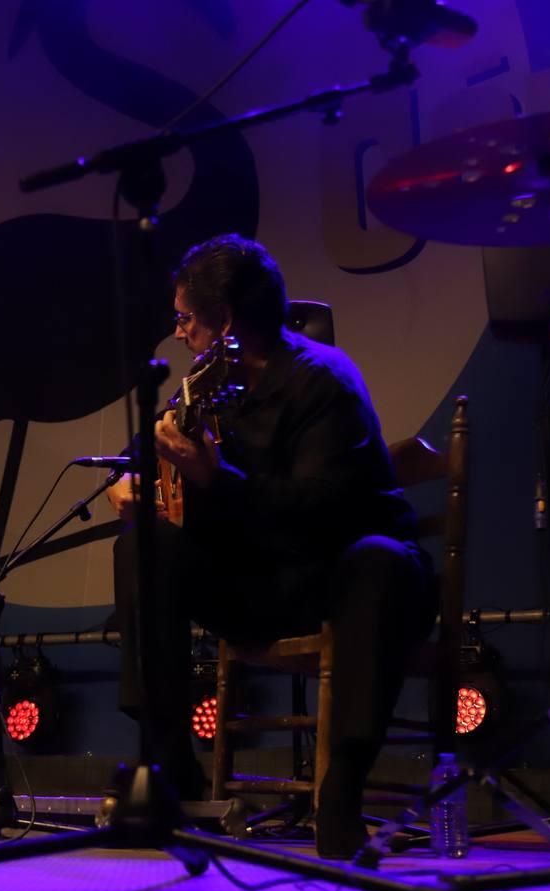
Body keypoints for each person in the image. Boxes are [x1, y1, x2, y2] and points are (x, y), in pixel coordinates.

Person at [106, 234, 435, 859]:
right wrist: (129, 478)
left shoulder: (322, 380)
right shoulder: (207, 382)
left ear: (223, 320)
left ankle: (341, 794)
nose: (179, 334)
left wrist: (213, 478)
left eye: (185, 319)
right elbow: (151, 458)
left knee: (377, 560)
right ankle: (172, 764)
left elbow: (320, 510)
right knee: (143, 545)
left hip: (342, 576)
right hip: (265, 581)